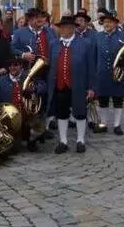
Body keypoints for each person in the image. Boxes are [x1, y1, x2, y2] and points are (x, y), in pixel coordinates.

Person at [47, 15, 95, 154]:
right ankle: (63, 141)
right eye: (61, 28)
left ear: (73, 28)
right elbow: (51, 65)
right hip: (60, 85)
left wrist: (91, 87)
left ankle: (80, 140)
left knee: (80, 112)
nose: (63, 30)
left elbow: (91, 67)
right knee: (62, 113)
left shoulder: (85, 44)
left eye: (66, 27)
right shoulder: (54, 44)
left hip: (78, 84)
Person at [0, 57, 46, 151]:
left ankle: (32, 140)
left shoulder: (29, 76)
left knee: (39, 124)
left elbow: (43, 86)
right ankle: (18, 139)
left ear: (21, 66)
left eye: (15, 65)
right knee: (15, 149)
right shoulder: (0, 81)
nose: (12, 67)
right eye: (10, 65)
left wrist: (34, 89)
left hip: (27, 116)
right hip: (12, 120)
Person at [94, 12, 124, 134]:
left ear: (115, 23)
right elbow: (94, 55)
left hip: (118, 72)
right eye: (105, 22)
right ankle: (103, 124)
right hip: (102, 73)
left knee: (118, 99)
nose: (107, 24)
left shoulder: (123, 35)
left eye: (109, 22)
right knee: (102, 99)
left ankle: (117, 125)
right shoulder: (98, 36)